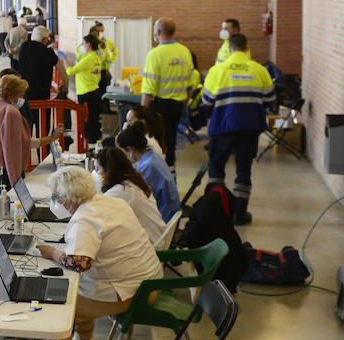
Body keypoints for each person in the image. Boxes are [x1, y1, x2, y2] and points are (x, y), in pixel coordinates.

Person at [27, 166, 164, 340]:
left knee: (58, 299)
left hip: (128, 295)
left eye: (55, 196)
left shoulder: (84, 219)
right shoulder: (111, 202)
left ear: (69, 198)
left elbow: (79, 263)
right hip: (148, 283)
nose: (54, 201)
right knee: (82, 286)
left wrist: (52, 253)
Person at [201, 33, 275, 225]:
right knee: (244, 170)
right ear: (247, 48)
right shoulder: (259, 70)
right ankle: (239, 214)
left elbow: (206, 103)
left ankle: (217, 214)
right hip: (250, 128)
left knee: (216, 169)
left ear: (230, 48)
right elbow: (270, 100)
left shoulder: (217, 70)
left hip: (222, 127)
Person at [0, 74, 62, 210]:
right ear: (11, 95)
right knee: (5, 207)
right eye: (20, 95)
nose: (22, 99)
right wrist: (16, 180)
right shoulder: (10, 112)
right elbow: (12, 148)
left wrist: (51, 138)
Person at [140, 17, 194, 172]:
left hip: (160, 106)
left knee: (157, 143)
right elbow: (191, 82)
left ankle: (161, 176)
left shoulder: (155, 54)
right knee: (171, 141)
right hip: (178, 104)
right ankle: (172, 174)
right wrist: (185, 101)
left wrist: (142, 114)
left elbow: (149, 88)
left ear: (158, 31)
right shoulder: (184, 51)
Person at [93, 146, 164, 245]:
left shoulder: (122, 190)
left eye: (97, 169)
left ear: (108, 169)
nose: (96, 173)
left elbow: (95, 214)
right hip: (156, 237)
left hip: (150, 246)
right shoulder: (133, 182)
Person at [117, 125, 180, 222]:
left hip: (163, 217)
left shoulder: (146, 167)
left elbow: (139, 197)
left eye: (123, 152)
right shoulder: (153, 156)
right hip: (170, 212)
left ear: (129, 149)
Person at [16, 26, 62, 127]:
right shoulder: (48, 53)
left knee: (27, 125)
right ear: (44, 39)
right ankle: (43, 142)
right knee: (42, 125)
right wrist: (65, 87)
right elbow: (62, 70)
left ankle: (27, 142)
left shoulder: (24, 48)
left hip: (24, 94)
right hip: (42, 95)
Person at [66, 32, 106, 147]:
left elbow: (70, 71)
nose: (81, 46)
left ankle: (90, 148)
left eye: (83, 44)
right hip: (95, 92)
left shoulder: (88, 59)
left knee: (87, 124)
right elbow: (79, 52)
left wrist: (64, 59)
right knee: (93, 123)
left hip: (86, 94)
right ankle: (94, 147)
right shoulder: (96, 57)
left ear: (88, 45)